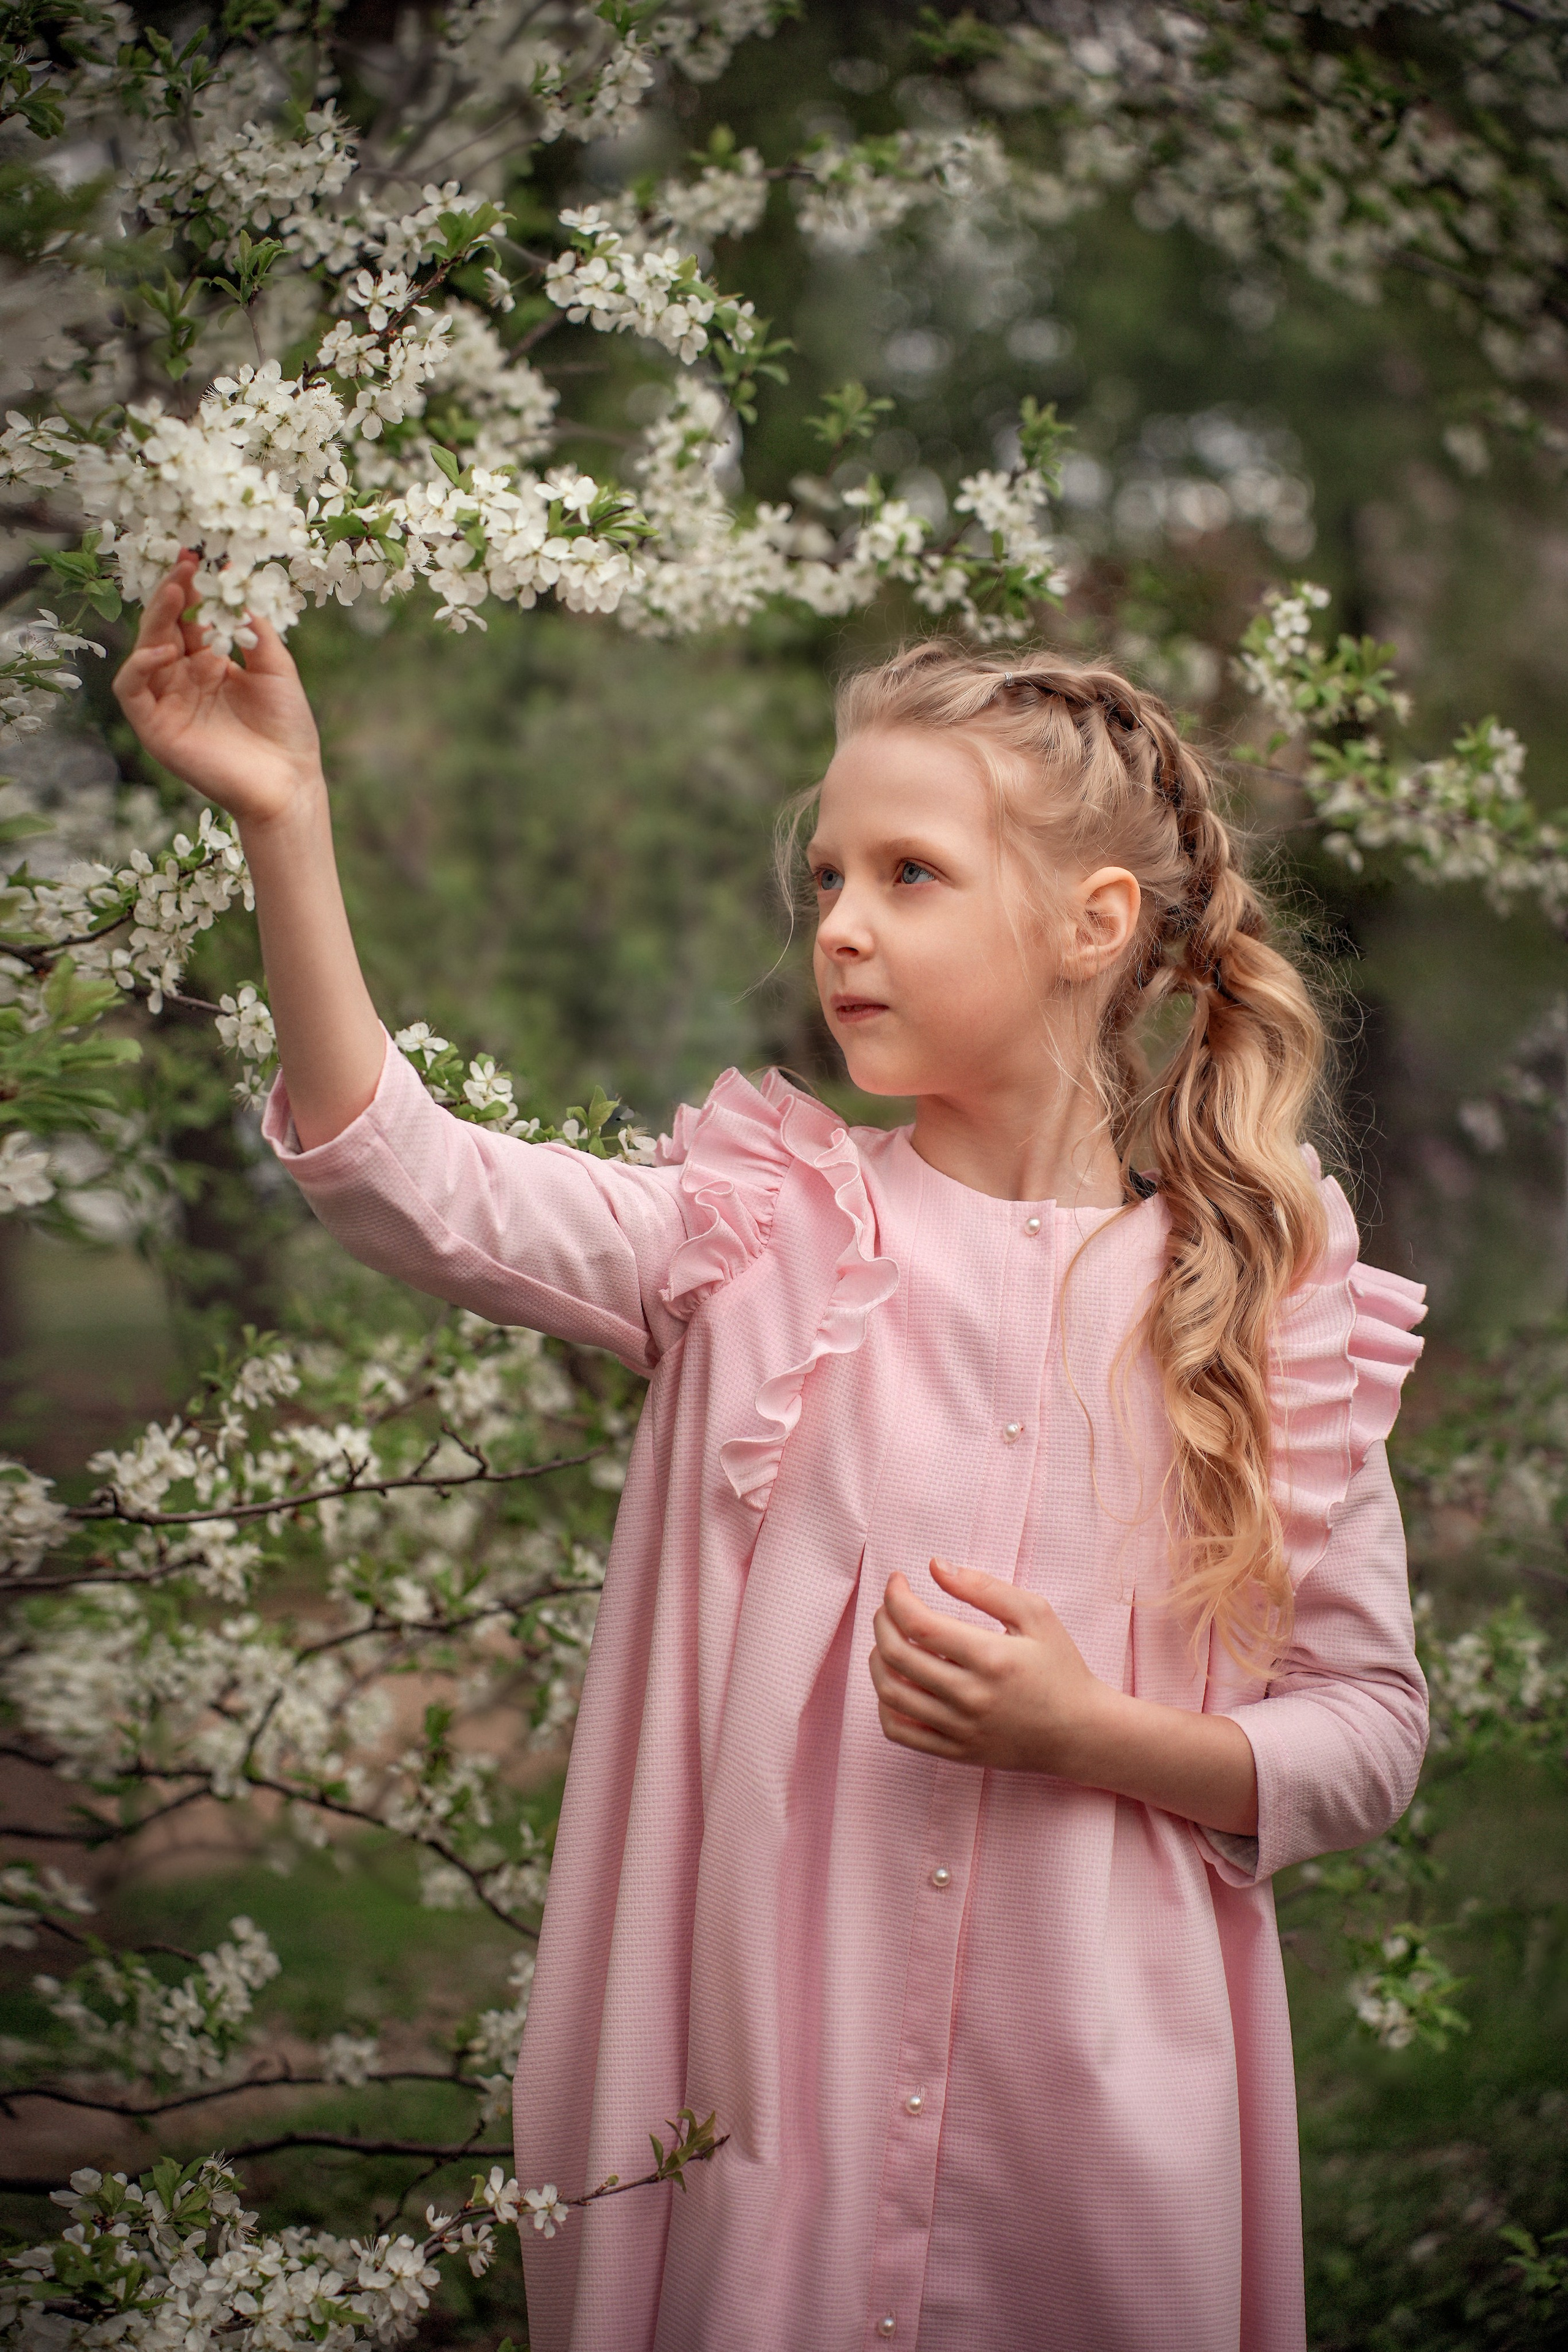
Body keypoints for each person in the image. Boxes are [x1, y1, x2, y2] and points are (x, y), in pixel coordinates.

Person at [114, 553, 1429, 2352]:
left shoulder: (1259, 1293)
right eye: (827, 878)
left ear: (1093, 921)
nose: (841, 925)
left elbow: (1368, 1733)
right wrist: (289, 820)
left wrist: (1092, 1735)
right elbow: (404, 1175)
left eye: (909, 876)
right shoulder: (752, 1238)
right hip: (777, 2125)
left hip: (1109, 2128)